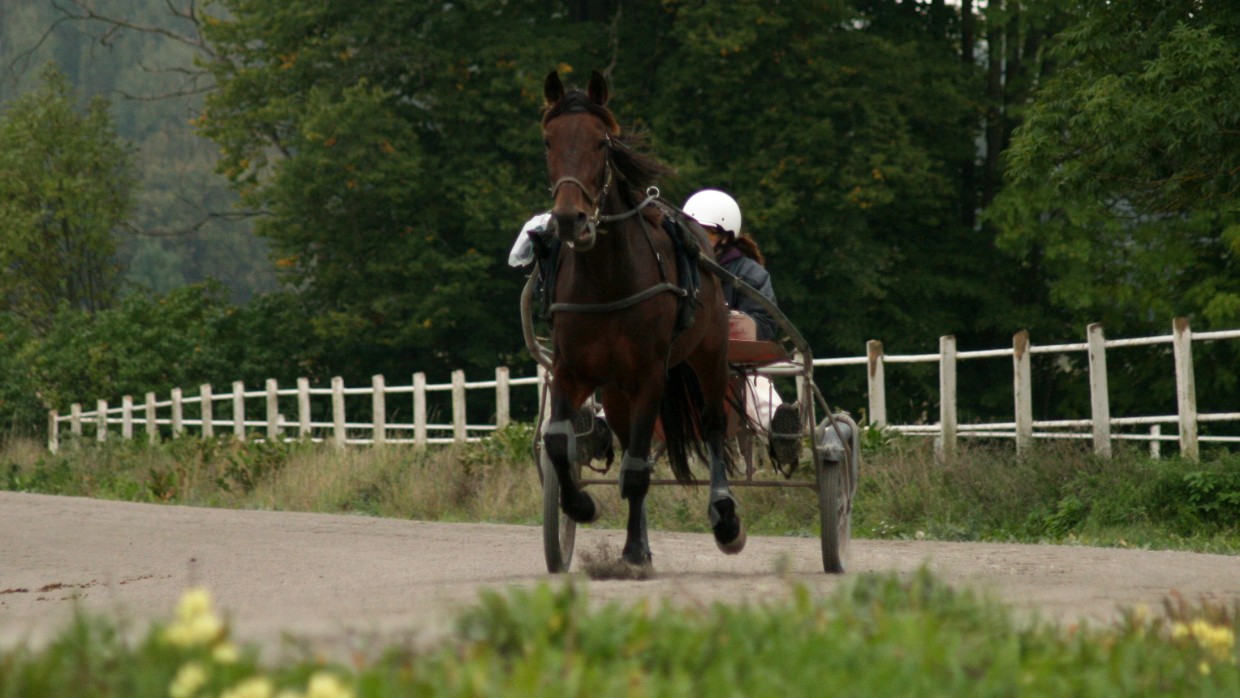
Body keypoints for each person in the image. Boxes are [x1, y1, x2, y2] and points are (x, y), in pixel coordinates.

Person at [682, 189, 800, 470]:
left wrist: (730, 321)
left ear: (725, 236)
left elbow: (765, 323)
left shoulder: (749, 274)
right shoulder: (676, 269)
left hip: (735, 365)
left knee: (756, 387)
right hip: (679, 363)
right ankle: (599, 429)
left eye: (707, 232)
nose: (698, 239)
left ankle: (780, 431)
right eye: (692, 230)